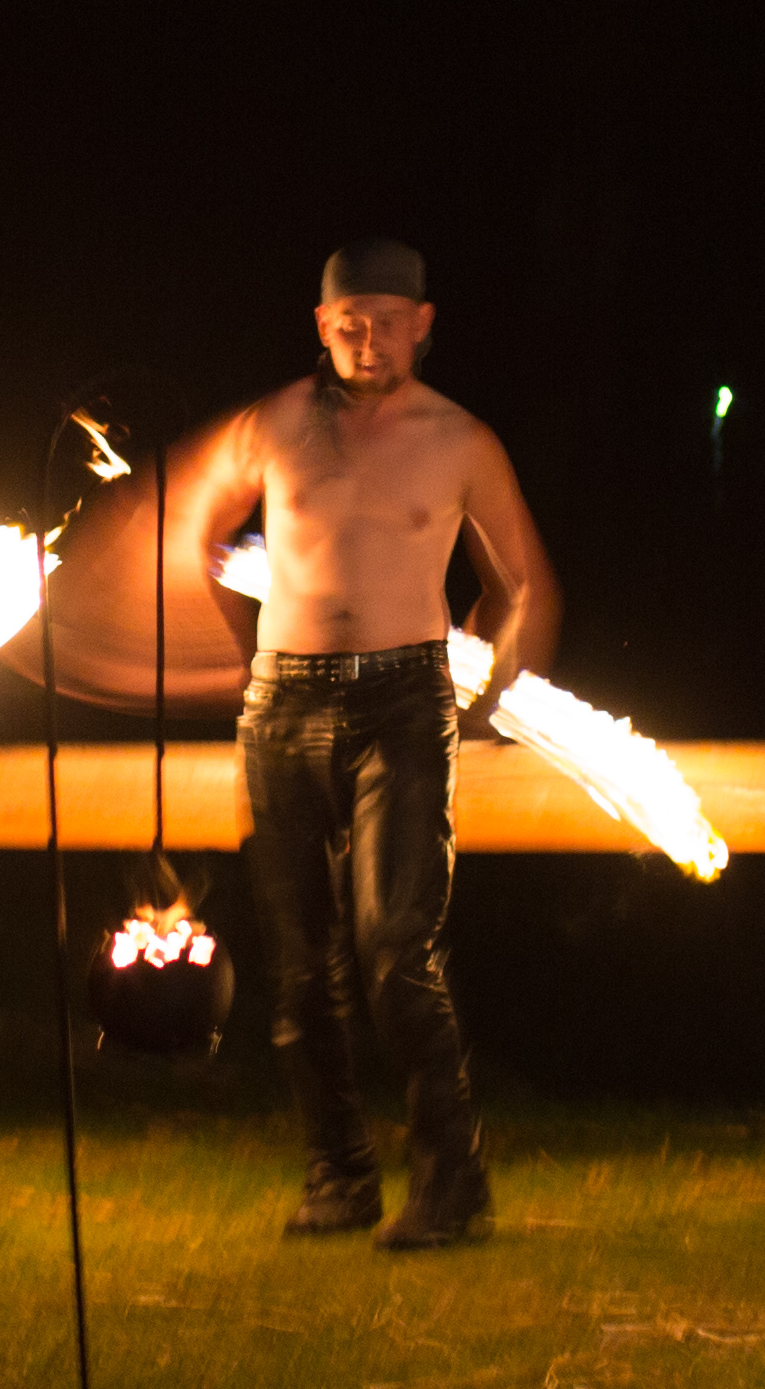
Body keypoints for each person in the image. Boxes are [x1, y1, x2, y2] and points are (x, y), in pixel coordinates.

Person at [178, 239, 561, 1251]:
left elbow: (521, 582)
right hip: (282, 705)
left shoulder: (459, 439)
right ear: (322, 324)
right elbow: (205, 538)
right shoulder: (274, 425)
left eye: (388, 321)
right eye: (350, 322)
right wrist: (254, 656)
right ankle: (339, 1175)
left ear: (423, 324)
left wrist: (488, 690)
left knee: (395, 944)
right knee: (301, 964)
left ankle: (451, 1182)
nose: (368, 339)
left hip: (404, 701)